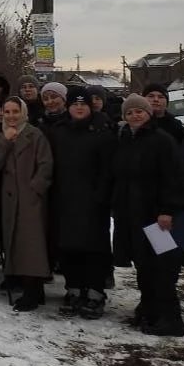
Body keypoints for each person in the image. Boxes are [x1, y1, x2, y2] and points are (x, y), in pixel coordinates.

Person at [112, 94, 184, 336]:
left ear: (148, 113)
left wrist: (168, 210)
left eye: (139, 111)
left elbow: (175, 178)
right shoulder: (125, 139)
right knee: (144, 265)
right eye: (130, 112)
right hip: (134, 215)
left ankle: (171, 319)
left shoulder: (161, 140)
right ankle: (149, 309)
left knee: (163, 268)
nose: (135, 115)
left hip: (159, 217)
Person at [49, 88, 114, 319]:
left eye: (83, 104)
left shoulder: (102, 131)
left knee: (94, 248)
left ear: (90, 107)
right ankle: (74, 288)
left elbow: (108, 169)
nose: (79, 108)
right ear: (68, 107)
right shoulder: (58, 131)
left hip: (93, 201)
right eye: (75, 104)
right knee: (68, 247)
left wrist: (101, 196)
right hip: (64, 198)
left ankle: (95, 292)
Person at [0, 96, 53, 312]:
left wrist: (35, 188)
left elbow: (46, 165)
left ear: (23, 112)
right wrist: (6, 141)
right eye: (7, 112)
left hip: (30, 199)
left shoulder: (35, 135)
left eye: (15, 111)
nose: (11, 116)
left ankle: (33, 292)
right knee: (15, 243)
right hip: (10, 200)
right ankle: (25, 285)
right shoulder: (2, 136)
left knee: (31, 246)